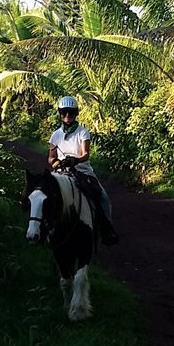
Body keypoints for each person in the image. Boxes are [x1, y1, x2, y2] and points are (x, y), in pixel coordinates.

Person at [48, 95, 119, 245]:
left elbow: (85, 154)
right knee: (44, 194)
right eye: (64, 112)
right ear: (60, 113)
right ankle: (44, 229)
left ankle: (106, 230)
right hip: (61, 171)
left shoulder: (82, 132)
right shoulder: (55, 135)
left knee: (103, 198)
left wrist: (75, 160)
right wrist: (56, 162)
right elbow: (51, 157)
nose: (67, 116)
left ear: (75, 114)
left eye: (70, 113)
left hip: (82, 171)